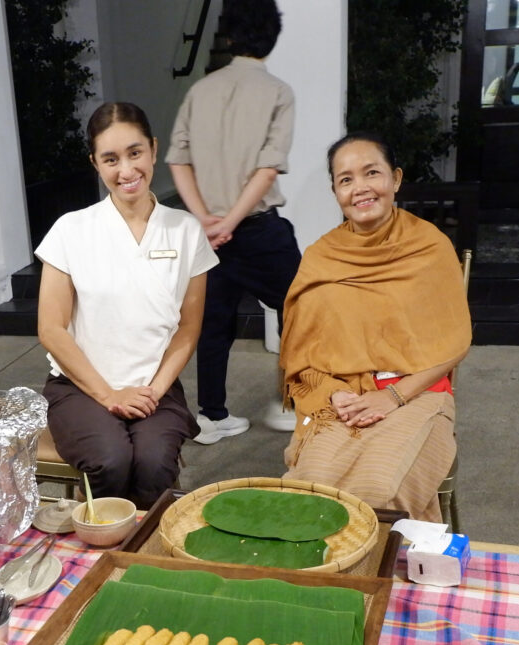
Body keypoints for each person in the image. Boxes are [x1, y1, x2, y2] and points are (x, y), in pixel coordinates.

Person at [278, 134, 471, 521]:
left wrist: (393, 397)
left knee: (379, 491)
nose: (360, 188)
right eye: (346, 179)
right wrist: (334, 394)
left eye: (371, 173)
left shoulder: (429, 247)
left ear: (395, 179)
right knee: (309, 490)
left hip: (416, 392)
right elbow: (302, 354)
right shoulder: (321, 257)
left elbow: (453, 343)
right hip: (340, 397)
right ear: (335, 191)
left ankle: (379, 560)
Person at [36, 102, 218, 508]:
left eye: (135, 153)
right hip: (80, 388)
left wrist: (154, 390)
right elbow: (51, 329)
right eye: (111, 159)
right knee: (111, 459)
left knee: (153, 463)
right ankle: (101, 541)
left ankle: (145, 543)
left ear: (153, 149)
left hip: (157, 386)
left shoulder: (185, 230)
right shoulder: (71, 230)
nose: (126, 170)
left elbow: (189, 328)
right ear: (95, 164)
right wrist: (109, 395)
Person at [167, 0, 300, 444]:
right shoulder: (278, 92)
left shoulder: (200, 90)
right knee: (300, 307)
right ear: (273, 38)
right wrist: (232, 222)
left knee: (213, 322)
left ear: (228, 37)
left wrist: (205, 219)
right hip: (258, 229)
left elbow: (178, 159)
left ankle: (211, 416)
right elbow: (267, 170)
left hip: (208, 235)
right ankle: (290, 404)